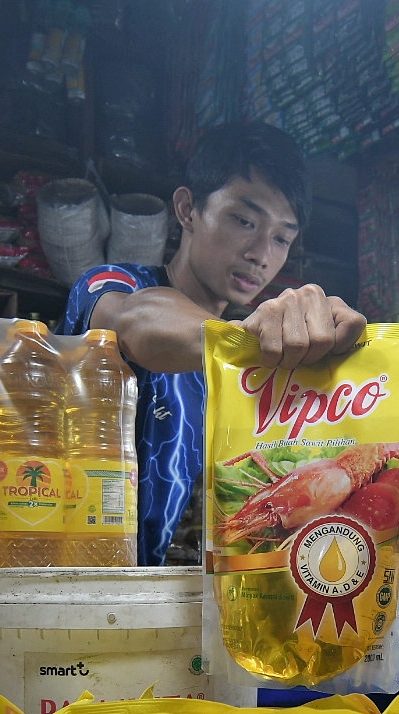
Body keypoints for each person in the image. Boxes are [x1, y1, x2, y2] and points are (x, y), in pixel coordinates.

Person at [57, 122, 367, 565]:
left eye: (281, 238)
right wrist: (248, 342)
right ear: (187, 208)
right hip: (92, 593)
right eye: (244, 220)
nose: (261, 253)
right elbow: (137, 322)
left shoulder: (256, 364)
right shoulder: (115, 285)